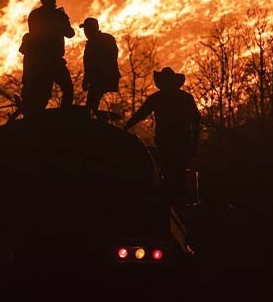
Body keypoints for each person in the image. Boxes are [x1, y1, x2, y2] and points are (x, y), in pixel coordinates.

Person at [124, 67, 201, 202]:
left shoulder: (157, 98)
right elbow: (196, 122)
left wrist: (125, 128)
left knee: (169, 174)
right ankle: (176, 204)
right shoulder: (186, 98)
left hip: (168, 143)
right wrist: (194, 144)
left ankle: (171, 204)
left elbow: (140, 115)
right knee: (177, 175)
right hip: (180, 143)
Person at [20, 0, 75, 115]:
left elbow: (34, 33)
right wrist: (61, 22)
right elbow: (70, 33)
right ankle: (64, 114)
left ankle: (40, 117)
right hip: (52, 60)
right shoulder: (58, 15)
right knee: (67, 88)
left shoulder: (35, 15)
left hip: (41, 62)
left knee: (45, 94)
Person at [79, 17, 120, 118]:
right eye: (85, 29)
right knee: (92, 103)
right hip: (99, 78)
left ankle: (92, 121)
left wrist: (88, 79)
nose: (85, 31)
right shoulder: (102, 40)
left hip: (101, 78)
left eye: (87, 29)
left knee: (91, 104)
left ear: (93, 28)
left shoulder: (100, 41)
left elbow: (95, 63)